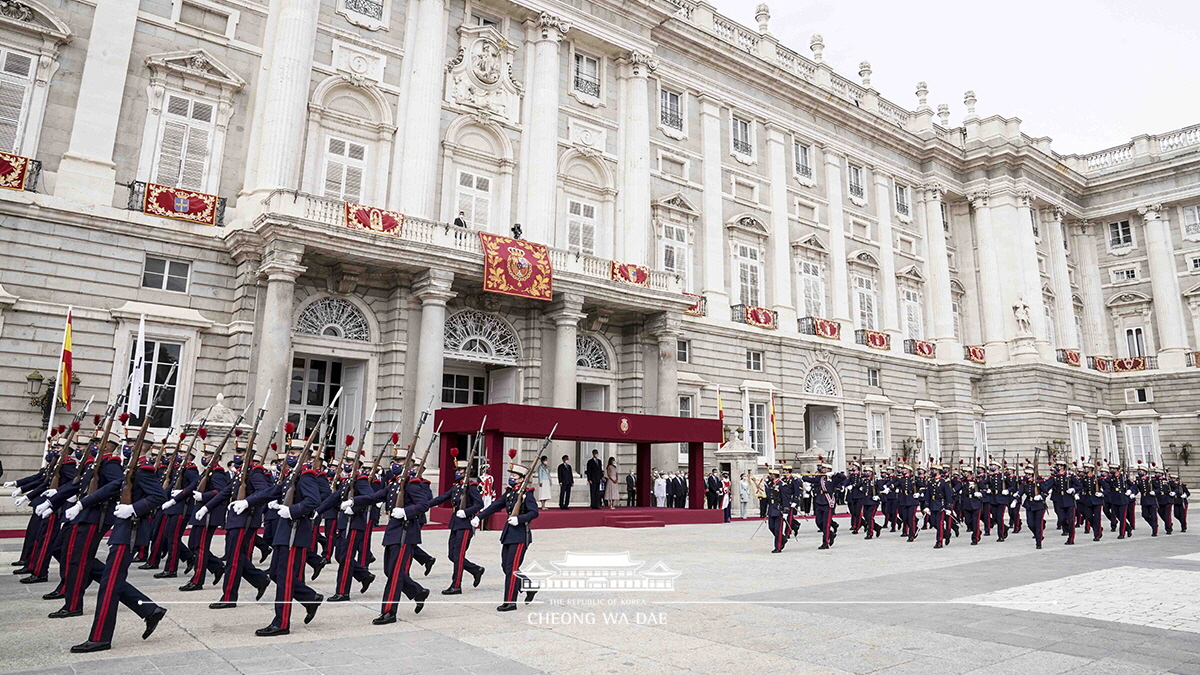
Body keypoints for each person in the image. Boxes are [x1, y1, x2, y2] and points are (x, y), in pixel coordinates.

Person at [70, 442, 171, 653]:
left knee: (109, 586)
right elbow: (110, 488)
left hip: (131, 532)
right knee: (110, 580)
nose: (128, 446)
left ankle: (100, 638)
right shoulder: (130, 468)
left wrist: (133, 509)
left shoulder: (144, 469)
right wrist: (82, 503)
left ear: (144, 446)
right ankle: (150, 610)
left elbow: (159, 497)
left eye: (133, 443)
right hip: (122, 531)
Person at [360, 456, 431, 623]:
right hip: (393, 532)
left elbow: (423, 505)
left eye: (399, 462)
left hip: (406, 533)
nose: (395, 465)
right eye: (394, 462)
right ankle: (418, 592)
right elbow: (374, 497)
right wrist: (353, 501)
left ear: (409, 465)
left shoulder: (412, 484)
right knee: (389, 571)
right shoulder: (393, 484)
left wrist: (406, 512)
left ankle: (389, 612)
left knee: (395, 575)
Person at [477, 462, 539, 612]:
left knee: (512, 568)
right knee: (506, 566)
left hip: (520, 535)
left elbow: (534, 512)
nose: (511, 478)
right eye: (510, 475)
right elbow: (495, 505)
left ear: (521, 479)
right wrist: (479, 516)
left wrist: (520, 518)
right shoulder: (510, 493)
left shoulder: (527, 494)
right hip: (509, 534)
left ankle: (510, 602)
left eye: (514, 476)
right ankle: (530, 586)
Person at [427, 459, 485, 596]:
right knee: (452, 555)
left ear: (466, 472)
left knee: (458, 555)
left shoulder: (471, 487)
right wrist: (424, 505)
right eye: (457, 471)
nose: (457, 473)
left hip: (465, 524)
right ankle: (475, 570)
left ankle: (456, 585)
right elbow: (442, 498)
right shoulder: (457, 487)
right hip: (455, 523)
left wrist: (466, 511)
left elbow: (479, 504)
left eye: (460, 471)